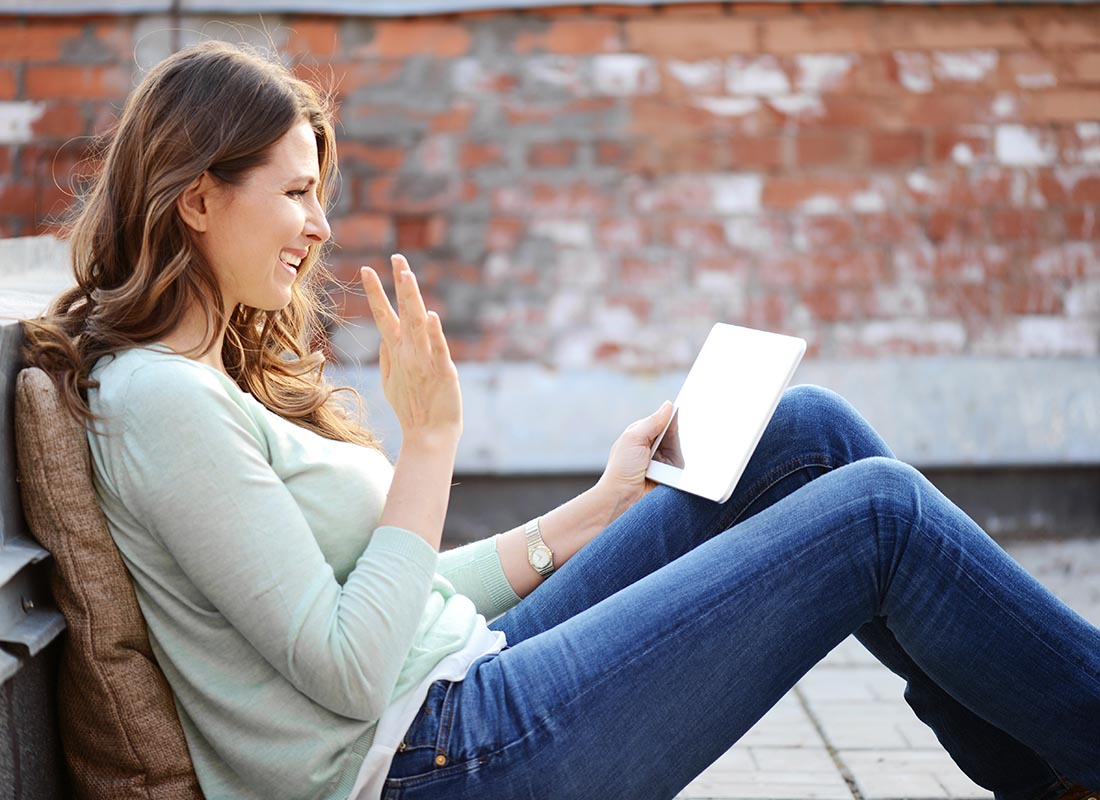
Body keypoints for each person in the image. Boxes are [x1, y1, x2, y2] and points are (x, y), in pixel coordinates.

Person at [23, 40, 1099, 800]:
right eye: (296, 192)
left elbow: (389, 608)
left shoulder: (202, 377)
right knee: (876, 515)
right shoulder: (159, 400)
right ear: (197, 198)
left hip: (464, 683)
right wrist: (429, 443)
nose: (321, 221)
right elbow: (348, 667)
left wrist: (596, 508)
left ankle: (1053, 771)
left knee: (802, 433)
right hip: (439, 757)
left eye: (319, 191)